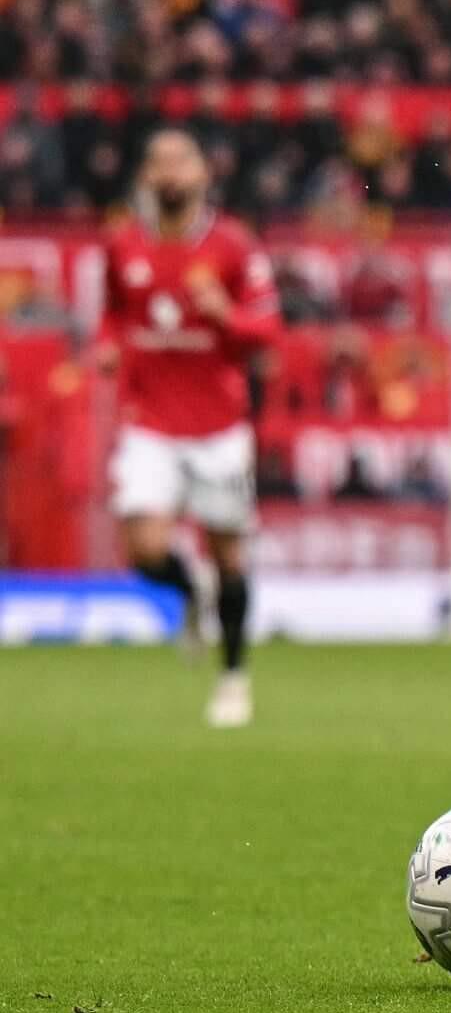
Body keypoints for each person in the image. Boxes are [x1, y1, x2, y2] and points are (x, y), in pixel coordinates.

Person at [99, 129, 280, 727]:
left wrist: (225, 314)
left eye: (181, 161)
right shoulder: (123, 244)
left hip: (218, 426)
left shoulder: (233, 246)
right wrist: (107, 347)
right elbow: (112, 315)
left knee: (229, 553)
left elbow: (267, 329)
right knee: (144, 550)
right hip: (150, 421)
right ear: (145, 177)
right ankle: (189, 591)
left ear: (203, 173)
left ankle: (233, 678)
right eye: (159, 163)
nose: (171, 173)